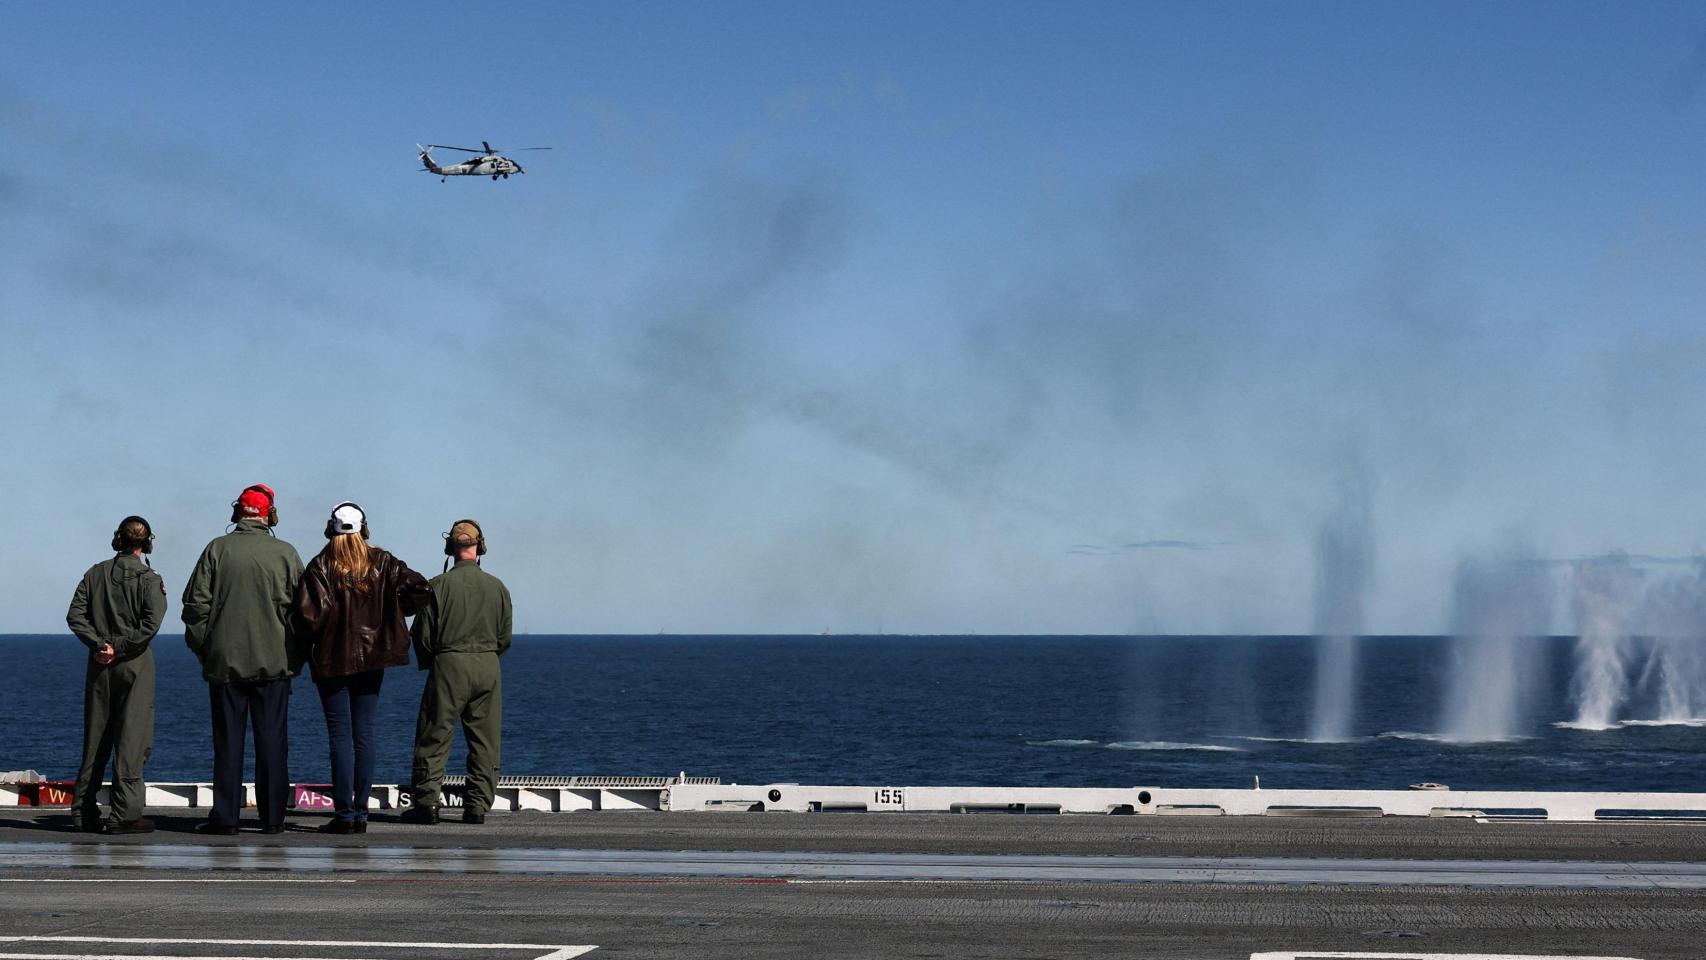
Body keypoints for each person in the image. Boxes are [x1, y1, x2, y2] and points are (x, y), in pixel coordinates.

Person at [292, 502, 432, 834]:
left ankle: (344, 814)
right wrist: (393, 612)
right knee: (364, 734)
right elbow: (423, 588)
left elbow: (308, 618)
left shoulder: (320, 566)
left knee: (340, 736)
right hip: (373, 660)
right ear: (364, 529)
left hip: (331, 661)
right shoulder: (383, 562)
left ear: (330, 529)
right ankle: (361, 812)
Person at [181, 483, 304, 835]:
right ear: (270, 515)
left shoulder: (216, 550)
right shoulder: (286, 553)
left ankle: (226, 817)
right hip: (274, 664)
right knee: (272, 744)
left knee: (228, 744)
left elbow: (194, 608)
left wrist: (208, 649)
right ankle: (273, 817)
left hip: (225, 664)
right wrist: (292, 659)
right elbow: (303, 614)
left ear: (237, 513)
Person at [403, 519, 512, 825]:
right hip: (488, 664)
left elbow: (422, 635)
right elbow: (505, 636)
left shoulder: (438, 586)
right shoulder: (498, 587)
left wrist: (433, 663)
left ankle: (427, 803)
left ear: (450, 548)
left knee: (434, 734)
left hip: (449, 664)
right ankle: (477, 807)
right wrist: (488, 657)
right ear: (481, 548)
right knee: (485, 741)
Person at [65, 516, 166, 834]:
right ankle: (124, 813)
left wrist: (101, 645)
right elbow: (150, 624)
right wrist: (119, 647)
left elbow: (75, 615)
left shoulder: (95, 574)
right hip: (134, 664)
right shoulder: (150, 580)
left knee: (96, 739)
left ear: (118, 539)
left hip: (100, 665)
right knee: (132, 740)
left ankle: (83, 810)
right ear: (147, 543)